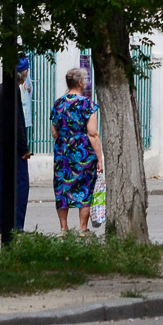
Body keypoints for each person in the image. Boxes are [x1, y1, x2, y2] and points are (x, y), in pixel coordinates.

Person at [51, 67, 103, 234]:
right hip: (84, 153)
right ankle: (82, 229)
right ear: (80, 83)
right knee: (85, 189)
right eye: (85, 80)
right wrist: (99, 157)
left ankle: (64, 228)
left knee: (62, 190)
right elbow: (93, 133)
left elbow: (54, 132)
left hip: (63, 154)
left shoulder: (58, 104)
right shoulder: (87, 104)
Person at [0, 58, 33, 234]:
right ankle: (16, 224)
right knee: (20, 185)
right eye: (27, 71)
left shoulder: (0, 89)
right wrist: (24, 148)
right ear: (22, 73)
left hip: (4, 146)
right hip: (14, 148)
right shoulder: (13, 91)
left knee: (4, 184)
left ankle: (3, 222)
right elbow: (17, 122)